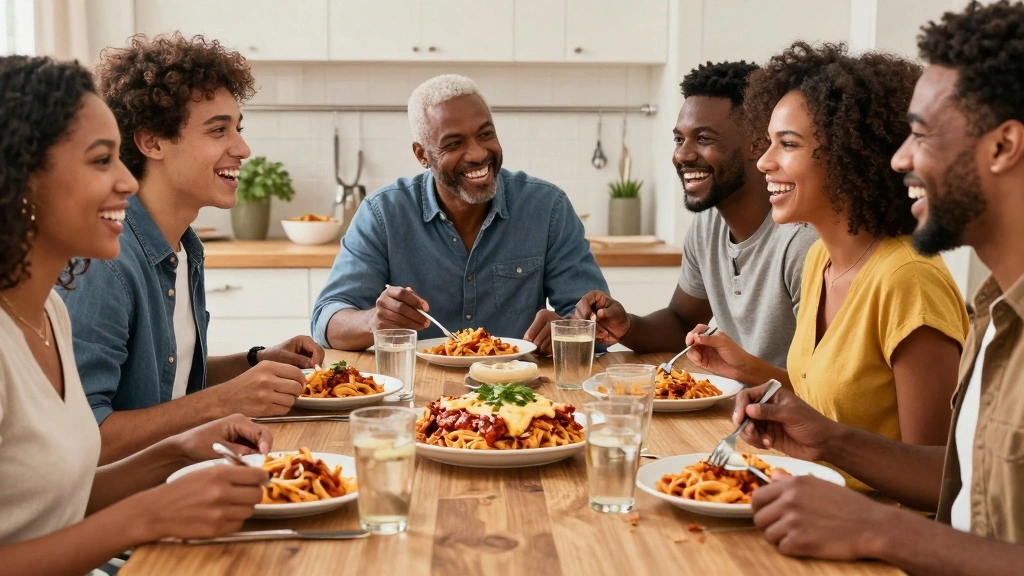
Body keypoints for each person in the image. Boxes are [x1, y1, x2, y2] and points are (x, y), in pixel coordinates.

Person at [734, 4, 1024, 571]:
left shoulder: (913, 279)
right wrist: (827, 441)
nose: (899, 158)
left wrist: (880, 529)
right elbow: (958, 480)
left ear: (1003, 146)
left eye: (921, 136)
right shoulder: (996, 314)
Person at [0, 54, 270, 576]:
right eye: (102, 161)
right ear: (22, 179)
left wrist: (176, 452)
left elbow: (57, 497)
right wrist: (144, 518)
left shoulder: (48, 312)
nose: (127, 182)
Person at [685, 42, 970, 491]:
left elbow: (942, 479)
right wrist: (750, 370)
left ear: (848, 154)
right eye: (768, 142)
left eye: (788, 144)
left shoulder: (908, 280)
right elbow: (835, 402)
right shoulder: (820, 258)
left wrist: (829, 448)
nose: (764, 161)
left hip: (878, 539)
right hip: (813, 505)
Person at [59, 33, 324, 465]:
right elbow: (86, 439)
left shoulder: (182, 247)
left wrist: (252, 362)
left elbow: (168, 376)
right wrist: (223, 401)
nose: (242, 148)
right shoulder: (103, 265)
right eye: (218, 129)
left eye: (238, 128)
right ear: (152, 142)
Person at [312, 74, 608, 355]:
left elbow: (597, 325)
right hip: (418, 392)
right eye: (454, 144)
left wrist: (567, 329)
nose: (478, 154)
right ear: (422, 155)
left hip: (521, 395)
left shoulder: (547, 208)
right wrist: (372, 323)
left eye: (486, 134)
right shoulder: (383, 214)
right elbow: (327, 319)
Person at [573, 61, 817, 368]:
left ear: (757, 145)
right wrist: (628, 327)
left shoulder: (804, 243)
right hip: (736, 408)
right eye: (679, 139)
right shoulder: (708, 225)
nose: (682, 155)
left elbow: (822, 387)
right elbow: (681, 320)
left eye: (703, 139)